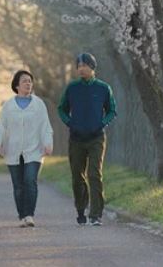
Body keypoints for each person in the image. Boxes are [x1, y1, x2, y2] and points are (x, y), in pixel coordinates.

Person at [57, 52, 116, 226]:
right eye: (78, 66)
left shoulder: (103, 88)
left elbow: (112, 110)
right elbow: (62, 109)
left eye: (84, 65)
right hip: (76, 138)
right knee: (77, 176)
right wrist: (69, 123)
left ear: (92, 67)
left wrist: (102, 123)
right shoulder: (72, 88)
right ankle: (81, 209)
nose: (81, 68)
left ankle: (96, 214)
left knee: (94, 174)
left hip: (96, 137)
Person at [0, 70, 54, 227]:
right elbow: (1, 127)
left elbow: (45, 126)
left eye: (30, 81)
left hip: (34, 149)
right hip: (13, 150)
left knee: (30, 180)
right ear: (17, 85)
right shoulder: (8, 106)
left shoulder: (38, 104)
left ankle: (29, 215)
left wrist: (48, 143)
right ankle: (22, 216)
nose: (28, 84)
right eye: (25, 81)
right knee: (18, 186)